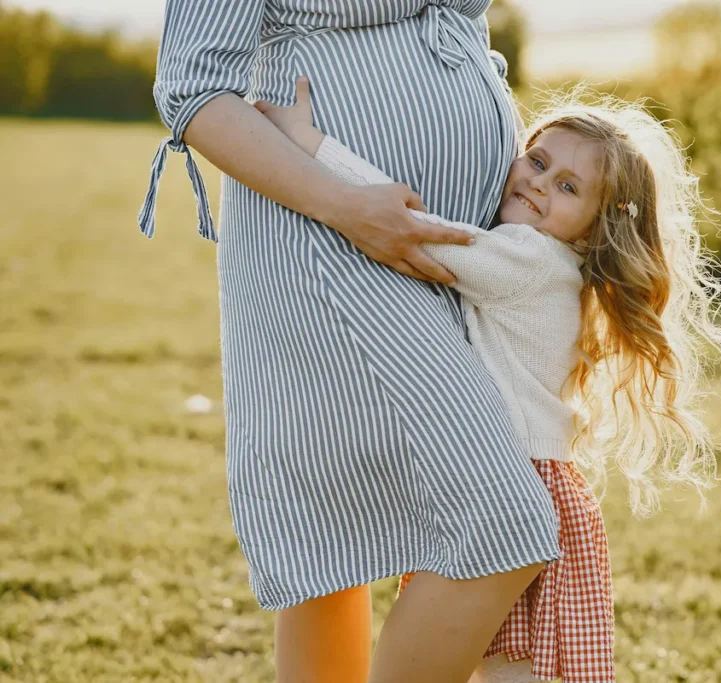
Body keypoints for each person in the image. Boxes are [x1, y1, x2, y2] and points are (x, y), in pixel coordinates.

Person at [255, 77, 721, 682]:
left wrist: (310, 144)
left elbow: (414, 227)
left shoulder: (528, 260)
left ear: (592, 229)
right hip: (524, 477)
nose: (539, 182)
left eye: (568, 187)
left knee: (514, 673)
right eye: (537, 160)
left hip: (513, 480)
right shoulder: (551, 264)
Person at [137, 2, 565, 682]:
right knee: (499, 521)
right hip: (328, 231)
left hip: (440, 244)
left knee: (336, 532)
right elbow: (194, 87)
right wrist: (347, 207)